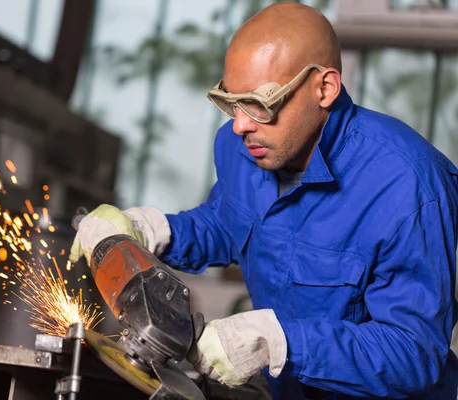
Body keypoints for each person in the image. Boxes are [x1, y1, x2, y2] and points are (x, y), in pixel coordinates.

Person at [69, 2, 458, 399]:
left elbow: (414, 353)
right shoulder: (245, 146)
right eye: (230, 102)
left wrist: (278, 342)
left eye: (259, 104)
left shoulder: (409, 185)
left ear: (324, 88)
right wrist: (152, 229)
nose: (239, 124)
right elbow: (227, 222)